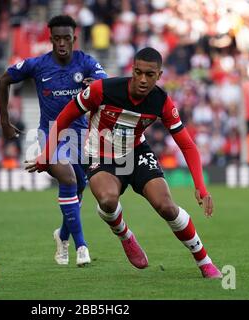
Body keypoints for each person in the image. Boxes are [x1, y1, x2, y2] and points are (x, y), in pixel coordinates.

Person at [26, 47, 222, 278]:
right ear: (132, 69)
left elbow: (187, 145)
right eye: (138, 72)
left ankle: (204, 261)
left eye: (150, 75)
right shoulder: (102, 90)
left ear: (159, 76)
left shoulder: (162, 101)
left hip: (136, 152)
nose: (142, 79)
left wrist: (200, 186)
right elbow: (64, 118)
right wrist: (46, 154)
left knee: (167, 206)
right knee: (108, 201)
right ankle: (125, 235)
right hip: (100, 153)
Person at [0, 15, 108, 266]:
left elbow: (106, 81)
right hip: (49, 136)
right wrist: (4, 122)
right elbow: (4, 79)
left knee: (79, 188)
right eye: (56, 38)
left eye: (66, 38)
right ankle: (81, 247)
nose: (61, 43)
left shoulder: (86, 62)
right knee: (68, 178)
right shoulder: (37, 65)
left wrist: (97, 84)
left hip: (80, 137)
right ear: (50, 39)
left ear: (74, 39)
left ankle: (62, 235)